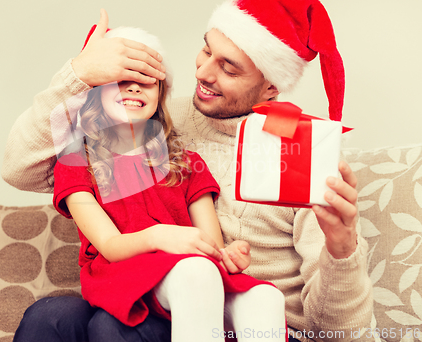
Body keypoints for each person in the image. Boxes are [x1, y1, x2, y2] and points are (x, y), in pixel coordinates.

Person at [6, 0, 373, 341]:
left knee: (115, 327)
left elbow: (344, 333)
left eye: (228, 68)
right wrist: (79, 73)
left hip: (241, 312)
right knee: (50, 317)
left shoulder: (302, 154)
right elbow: (20, 169)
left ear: (269, 88)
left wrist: (342, 250)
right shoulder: (156, 121)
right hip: (152, 288)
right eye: (206, 50)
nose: (203, 73)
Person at [49, 25, 287, 342]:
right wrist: (161, 236)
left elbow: (209, 244)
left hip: (190, 272)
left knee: (265, 297)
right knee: (196, 272)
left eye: (146, 81)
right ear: (94, 94)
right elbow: (110, 246)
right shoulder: (77, 162)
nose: (134, 89)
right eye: (121, 81)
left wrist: (227, 255)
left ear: (160, 94)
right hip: (124, 273)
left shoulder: (186, 162)